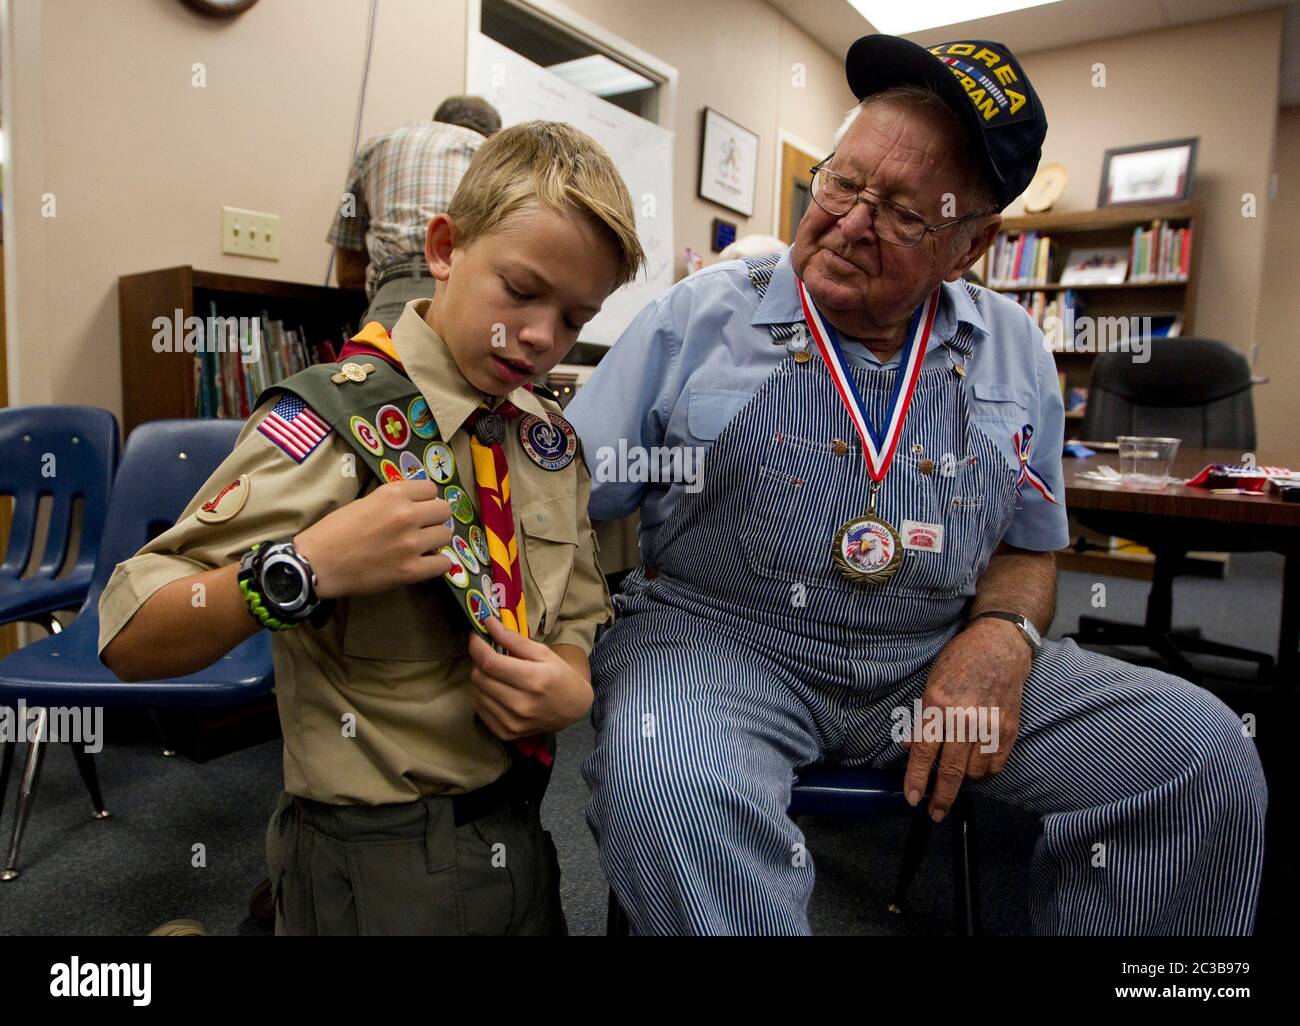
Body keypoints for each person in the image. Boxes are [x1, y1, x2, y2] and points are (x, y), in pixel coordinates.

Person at [564, 35, 1266, 935]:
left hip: (927, 669)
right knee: (670, 775)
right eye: (842, 183)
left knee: (1200, 754)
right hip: (720, 648)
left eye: (903, 213)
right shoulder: (698, 320)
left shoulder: (1013, 351)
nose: (850, 222)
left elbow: (1026, 546)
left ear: (972, 245)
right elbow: (559, 496)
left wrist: (1003, 636)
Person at [99, 120, 645, 935]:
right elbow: (131, 638)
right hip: (373, 859)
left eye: (573, 318)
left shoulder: (544, 437)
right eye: (522, 291)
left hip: (522, 836)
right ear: (443, 247)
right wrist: (300, 569)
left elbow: (576, 607)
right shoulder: (335, 423)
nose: (540, 338)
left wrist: (570, 677)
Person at [327, 95, 503, 331]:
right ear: (494, 133)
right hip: (475, 301)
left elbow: (348, 270)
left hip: (394, 294)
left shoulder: (377, 146)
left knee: (374, 366)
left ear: (437, 121)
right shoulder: (496, 157)